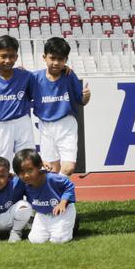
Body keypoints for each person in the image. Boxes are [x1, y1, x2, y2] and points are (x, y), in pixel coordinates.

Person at [33, 37, 91, 176]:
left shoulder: (69, 75)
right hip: (46, 126)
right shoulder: (34, 78)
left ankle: (60, 191)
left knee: (68, 168)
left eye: (61, 59)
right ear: (44, 57)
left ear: (66, 60)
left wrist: (86, 97)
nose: (56, 63)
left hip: (66, 125)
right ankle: (56, 197)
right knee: (52, 169)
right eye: (52, 58)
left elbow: (81, 100)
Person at [14, 148, 78, 244]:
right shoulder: (22, 182)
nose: (26, 175)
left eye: (30, 170)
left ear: (39, 166)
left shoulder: (51, 178)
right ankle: (57, 228)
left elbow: (69, 186)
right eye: (21, 172)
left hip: (62, 211)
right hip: (42, 214)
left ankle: (74, 222)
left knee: (58, 240)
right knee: (35, 240)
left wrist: (63, 203)